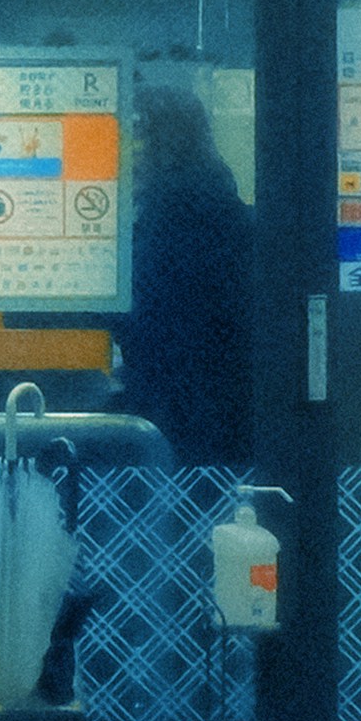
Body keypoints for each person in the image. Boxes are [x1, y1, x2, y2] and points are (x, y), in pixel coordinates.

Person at [110, 79, 257, 466]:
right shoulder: (234, 217)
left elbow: (136, 319)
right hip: (235, 417)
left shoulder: (156, 229)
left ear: (156, 145)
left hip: (168, 418)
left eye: (135, 141)